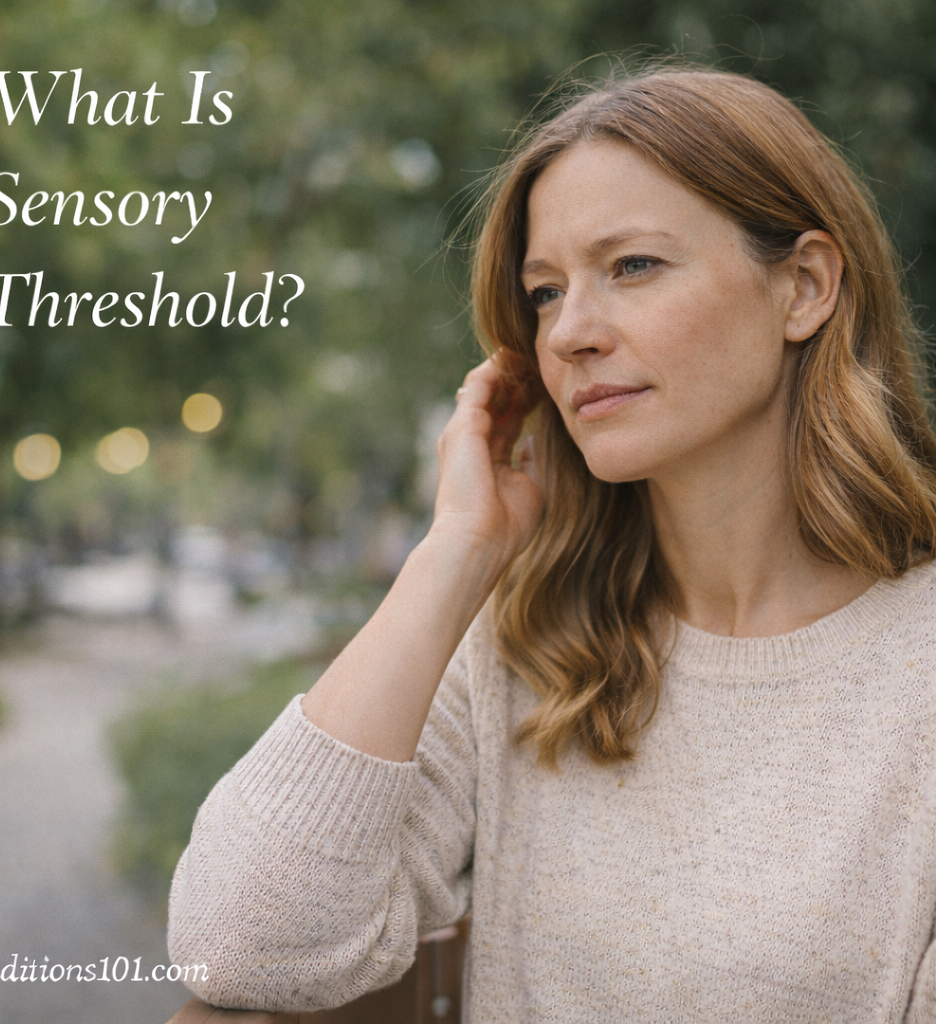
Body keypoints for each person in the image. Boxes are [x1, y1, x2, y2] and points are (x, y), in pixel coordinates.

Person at [167, 66, 936, 1022]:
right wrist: (456, 551)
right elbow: (239, 946)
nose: (568, 333)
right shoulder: (531, 635)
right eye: (543, 293)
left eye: (634, 266)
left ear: (805, 287)